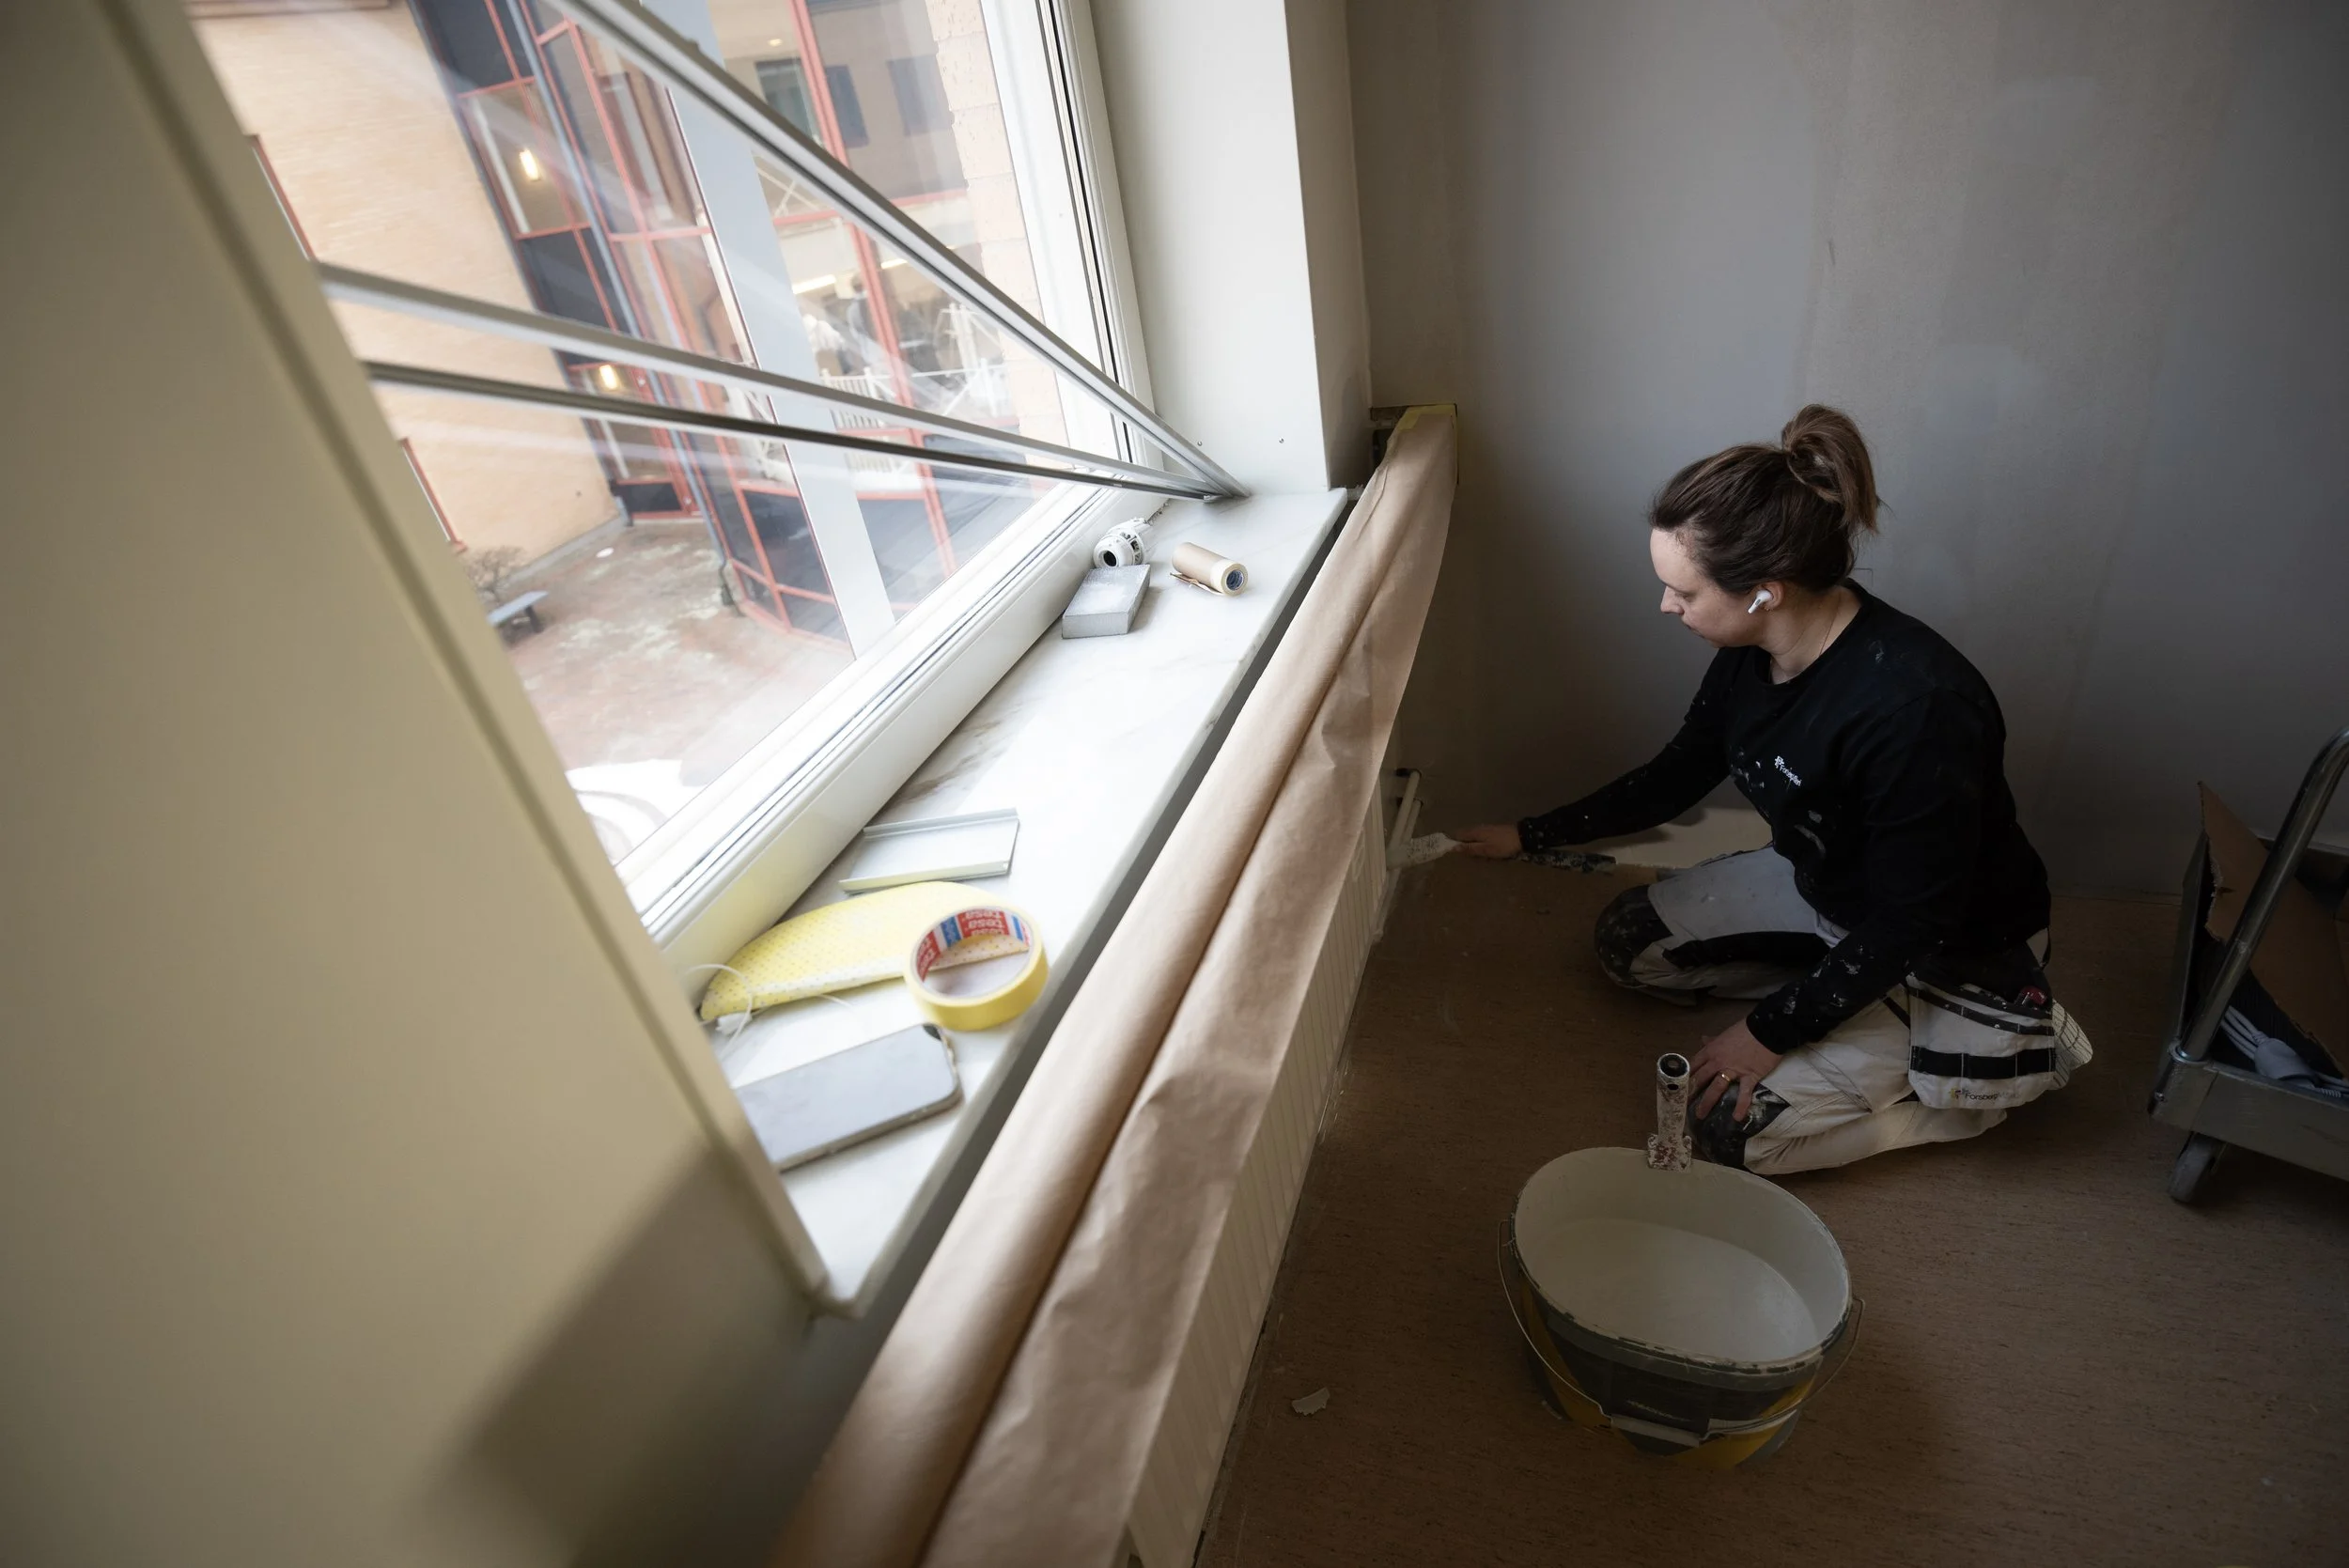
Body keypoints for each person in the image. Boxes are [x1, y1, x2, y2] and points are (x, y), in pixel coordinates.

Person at [1455, 406, 2088, 1174]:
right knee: (1628, 946)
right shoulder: (1751, 651)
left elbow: (1914, 919)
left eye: (1683, 592)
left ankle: (1962, 1095)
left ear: (1765, 591)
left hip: (1948, 946)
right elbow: (1675, 774)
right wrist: (1531, 832)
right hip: (1826, 886)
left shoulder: (1918, 707)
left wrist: (1768, 1031)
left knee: (1723, 1126)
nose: (1667, 606)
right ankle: (1841, 1002)